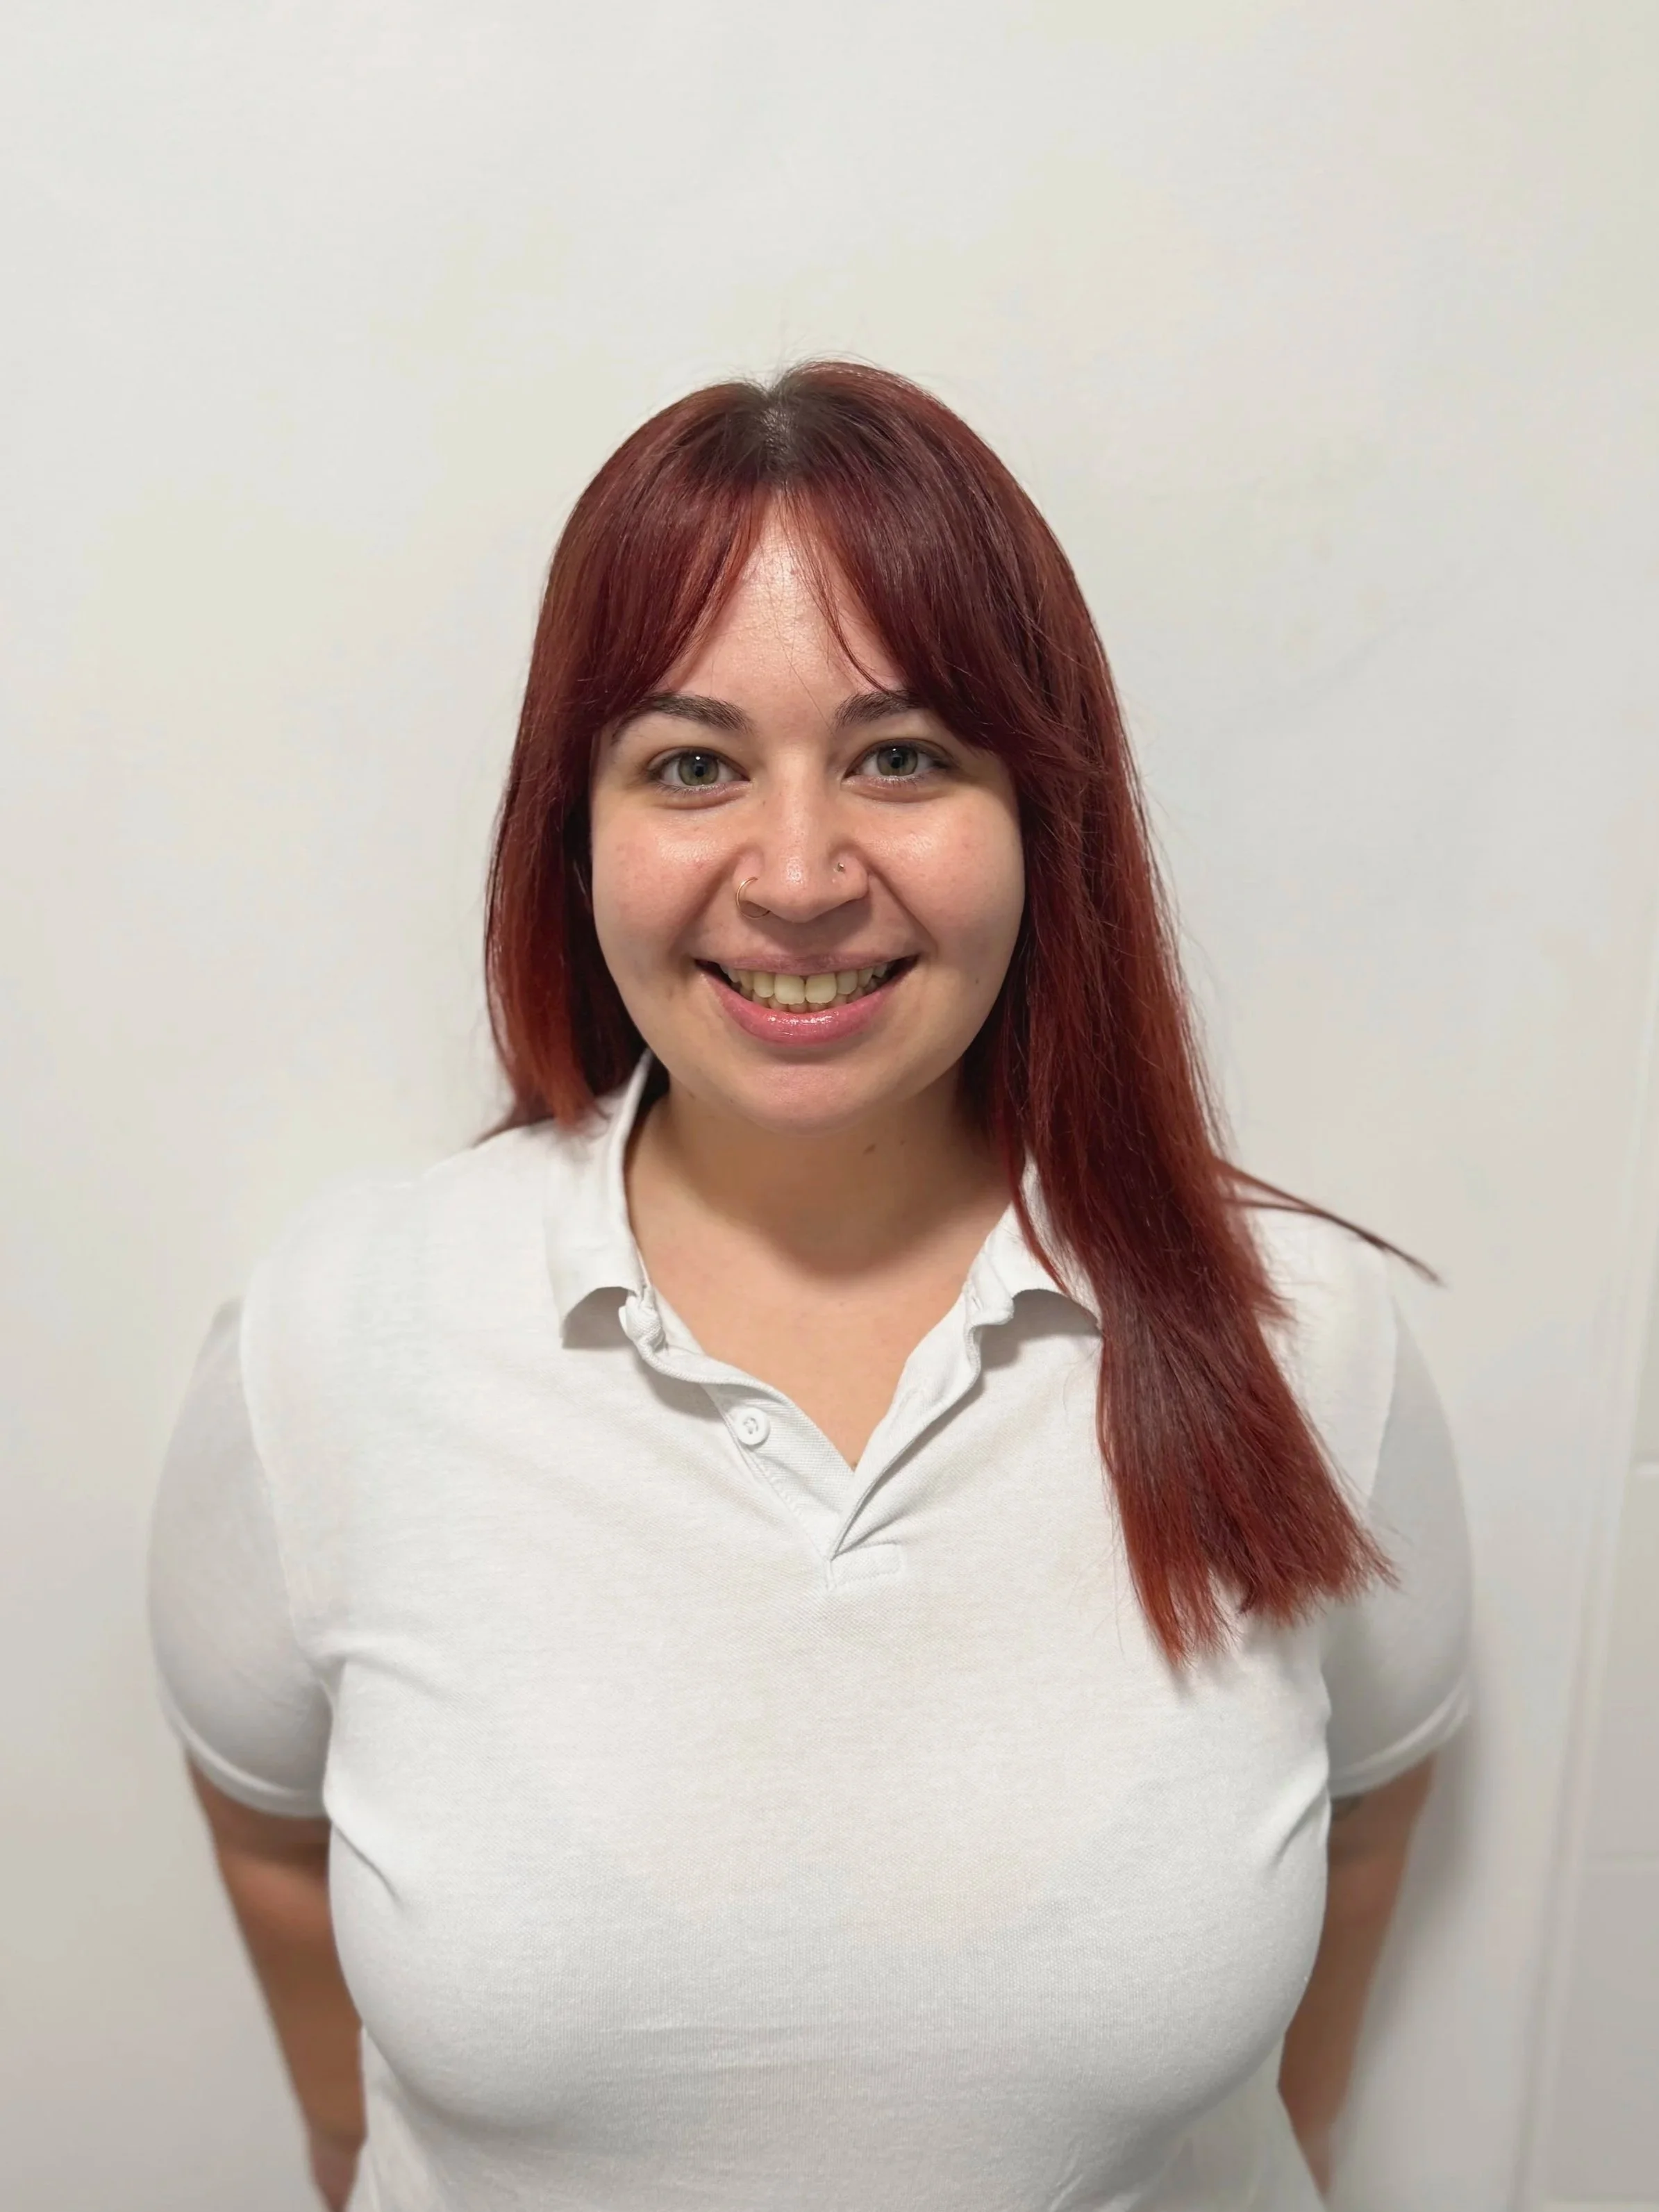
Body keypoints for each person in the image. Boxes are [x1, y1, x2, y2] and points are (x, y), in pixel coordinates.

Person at [147, 361, 1474, 2212]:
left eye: (902, 757)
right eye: (691, 766)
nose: (793, 877)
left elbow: (1367, 1812)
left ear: (1042, 810)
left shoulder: (1307, 1340)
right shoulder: (331, 1340)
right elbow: (271, 1837)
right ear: (573, 829)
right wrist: (353, 2157)